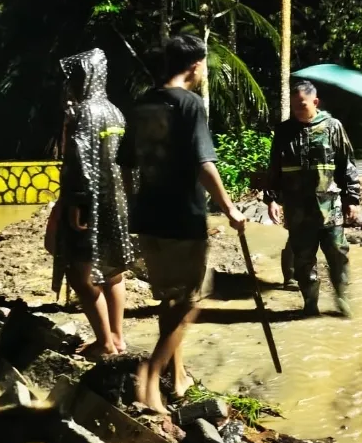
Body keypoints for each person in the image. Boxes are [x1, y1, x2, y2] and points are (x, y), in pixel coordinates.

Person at [118, 34, 245, 415]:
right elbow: (204, 164)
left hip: (148, 218)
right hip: (182, 217)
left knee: (170, 299)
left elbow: (125, 165)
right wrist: (230, 208)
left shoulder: (141, 104)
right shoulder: (191, 105)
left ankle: (178, 375)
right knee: (190, 301)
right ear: (194, 66)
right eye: (203, 65)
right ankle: (151, 374)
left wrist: (133, 206)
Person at [55, 48, 135, 357]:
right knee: (114, 270)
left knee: (80, 275)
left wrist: (77, 202)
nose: (68, 85)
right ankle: (117, 336)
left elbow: (79, 161)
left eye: (72, 78)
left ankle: (104, 342)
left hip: (89, 206)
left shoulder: (82, 112)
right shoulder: (116, 111)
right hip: (116, 203)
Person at [265, 81, 361, 317]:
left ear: (315, 102)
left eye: (302, 105)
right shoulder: (284, 131)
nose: (297, 109)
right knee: (303, 260)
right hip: (297, 209)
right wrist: (272, 199)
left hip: (330, 207)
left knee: (338, 254)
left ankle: (342, 297)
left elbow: (346, 165)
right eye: (294, 106)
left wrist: (353, 199)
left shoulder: (332, 127)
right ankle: (310, 305)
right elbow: (274, 168)